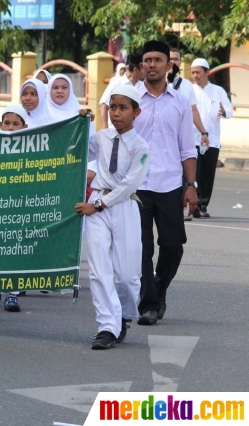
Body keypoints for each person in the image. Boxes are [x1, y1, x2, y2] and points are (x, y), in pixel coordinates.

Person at [75, 85, 149, 349]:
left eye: (123, 108)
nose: (116, 113)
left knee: (128, 276)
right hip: (96, 206)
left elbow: (129, 185)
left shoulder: (141, 147)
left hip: (122, 206)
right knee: (99, 271)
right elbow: (78, 151)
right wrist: (80, 123)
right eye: (113, 107)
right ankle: (107, 326)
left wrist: (98, 203)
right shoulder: (102, 137)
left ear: (136, 112)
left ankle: (124, 316)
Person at [135, 40, 197, 325]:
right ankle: (148, 304)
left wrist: (192, 185)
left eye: (157, 60)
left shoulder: (180, 102)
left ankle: (158, 293)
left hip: (171, 184)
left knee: (173, 246)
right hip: (136, 188)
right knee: (142, 248)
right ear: (141, 65)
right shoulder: (130, 98)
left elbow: (187, 148)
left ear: (168, 65)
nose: (152, 64)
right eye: (147, 60)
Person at [190, 58, 233, 219]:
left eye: (198, 72)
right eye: (193, 72)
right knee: (194, 173)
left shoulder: (218, 91)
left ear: (206, 72)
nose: (195, 75)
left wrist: (224, 112)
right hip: (192, 139)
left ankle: (202, 205)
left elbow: (229, 110)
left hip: (212, 139)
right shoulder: (189, 90)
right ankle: (192, 204)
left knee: (207, 175)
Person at [169, 49, 210, 204]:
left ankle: (183, 204)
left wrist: (203, 132)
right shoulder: (157, 82)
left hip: (184, 137)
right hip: (164, 138)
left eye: (177, 59)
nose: (173, 62)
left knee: (187, 173)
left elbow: (193, 110)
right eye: (171, 58)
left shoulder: (187, 86)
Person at [99, 52, 144, 129]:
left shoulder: (142, 86)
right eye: (143, 68)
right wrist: (105, 132)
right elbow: (104, 106)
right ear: (136, 69)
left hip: (134, 133)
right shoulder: (117, 83)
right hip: (114, 132)